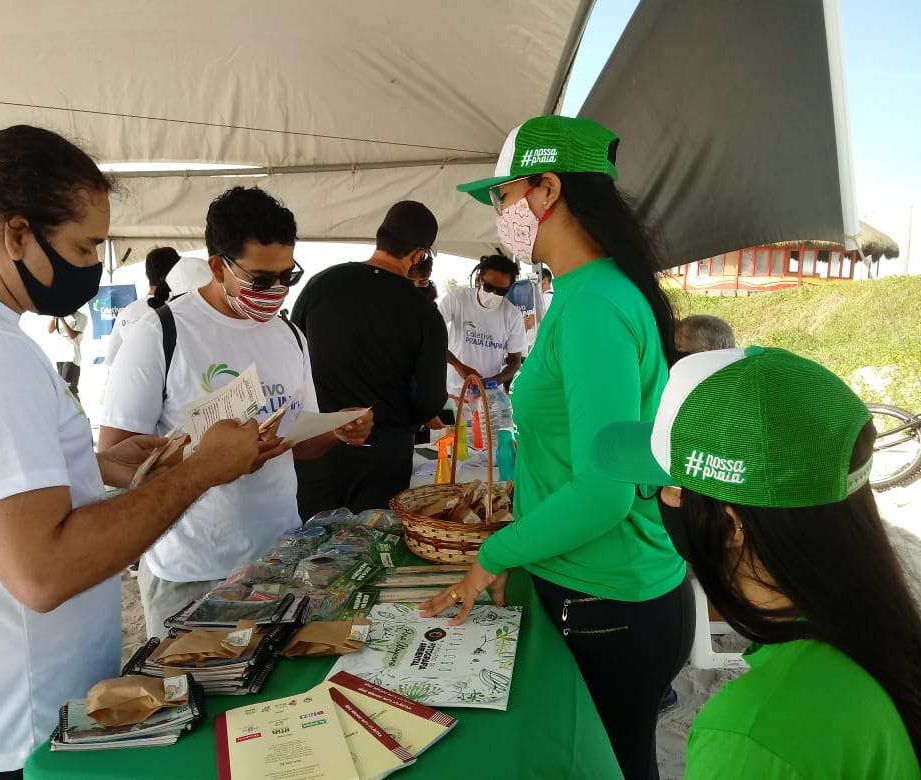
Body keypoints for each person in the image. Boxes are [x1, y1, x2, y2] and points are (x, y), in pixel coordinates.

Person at [0, 125, 259, 779]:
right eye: (85, 245)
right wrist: (201, 472)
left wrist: (90, 466)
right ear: (17, 233)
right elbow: (43, 570)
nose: (92, 265)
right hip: (13, 731)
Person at [421, 115, 692, 780]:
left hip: (609, 603)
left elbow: (602, 493)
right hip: (605, 589)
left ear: (546, 189)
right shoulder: (585, 291)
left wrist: (492, 555)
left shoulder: (596, 302)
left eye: (502, 194)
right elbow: (584, 455)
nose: (498, 213)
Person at [589, 346, 921, 778]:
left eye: (666, 489)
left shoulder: (750, 734)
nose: (662, 502)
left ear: (729, 526)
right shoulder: (888, 641)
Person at [99, 186, 372, 637]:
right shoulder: (160, 334)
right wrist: (212, 461)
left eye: (288, 276)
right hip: (190, 570)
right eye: (261, 280)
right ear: (216, 266)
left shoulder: (289, 336)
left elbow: (300, 444)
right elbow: (116, 458)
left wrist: (338, 430)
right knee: (189, 681)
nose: (276, 291)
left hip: (281, 560)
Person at [291, 201, 448, 520]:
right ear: (419, 255)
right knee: (373, 544)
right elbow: (430, 399)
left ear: (380, 236)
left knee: (311, 540)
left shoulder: (321, 284)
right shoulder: (423, 312)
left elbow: (293, 352)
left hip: (318, 446)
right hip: (384, 456)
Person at [439, 253, 525, 399]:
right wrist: (458, 365)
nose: (493, 294)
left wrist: (492, 382)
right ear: (479, 280)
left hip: (490, 397)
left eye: (501, 291)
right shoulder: (457, 299)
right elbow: (432, 337)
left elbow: (515, 362)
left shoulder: (513, 316)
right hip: (454, 393)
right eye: (489, 287)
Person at [104, 246, 181, 366]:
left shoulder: (127, 313)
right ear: (178, 272)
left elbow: (111, 359)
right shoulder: (187, 310)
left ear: (147, 275)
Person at [47, 307, 88, 398]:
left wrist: (62, 319)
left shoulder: (82, 317)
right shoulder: (60, 315)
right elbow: (50, 330)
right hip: (60, 357)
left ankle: (78, 407)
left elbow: (72, 335)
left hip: (71, 357)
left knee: (69, 391)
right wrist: (54, 317)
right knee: (63, 390)